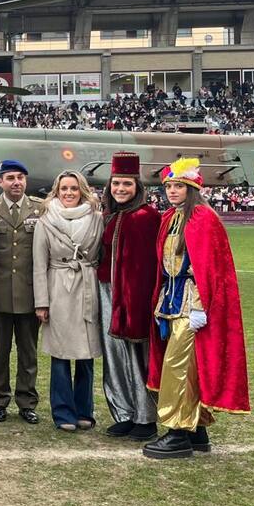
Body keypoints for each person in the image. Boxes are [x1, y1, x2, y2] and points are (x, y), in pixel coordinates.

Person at [144, 159, 249, 459]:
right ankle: (196, 430)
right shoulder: (171, 217)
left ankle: (177, 433)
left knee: (178, 366)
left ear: (192, 188)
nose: (172, 191)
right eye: (168, 187)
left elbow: (212, 269)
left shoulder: (203, 218)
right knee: (186, 366)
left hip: (193, 304)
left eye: (178, 186)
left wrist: (202, 306)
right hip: (172, 300)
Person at [97, 152, 161, 442]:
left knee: (138, 358)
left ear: (137, 187)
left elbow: (149, 266)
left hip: (134, 300)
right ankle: (124, 413)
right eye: (116, 184)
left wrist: (138, 305)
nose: (120, 189)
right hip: (109, 293)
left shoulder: (147, 217)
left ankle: (145, 417)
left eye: (126, 184)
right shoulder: (110, 215)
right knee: (115, 357)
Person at [32, 170, 103, 432]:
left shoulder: (97, 219)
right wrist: (42, 302)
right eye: (64, 189)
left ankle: (84, 410)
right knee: (60, 355)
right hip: (58, 289)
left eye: (74, 188)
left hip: (87, 287)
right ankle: (63, 412)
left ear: (82, 190)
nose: (69, 193)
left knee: (86, 355)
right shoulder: (45, 221)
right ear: (57, 191)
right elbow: (39, 265)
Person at [0, 159, 45, 425]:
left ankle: (26, 402)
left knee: (28, 351)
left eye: (20, 177)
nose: (16, 182)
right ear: (0, 182)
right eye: (10, 178)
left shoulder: (39, 208)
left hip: (29, 291)